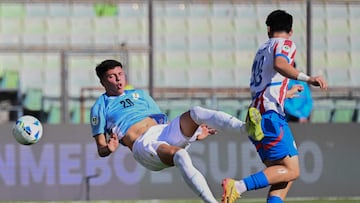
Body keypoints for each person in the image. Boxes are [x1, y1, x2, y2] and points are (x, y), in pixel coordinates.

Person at [90, 59, 262, 203]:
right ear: (102, 82)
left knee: (196, 112)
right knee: (180, 155)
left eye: (120, 74)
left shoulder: (139, 94)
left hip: (162, 131)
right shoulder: (100, 107)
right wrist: (109, 148)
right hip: (144, 144)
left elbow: (163, 121)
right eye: (111, 77)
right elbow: (101, 148)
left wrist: (193, 134)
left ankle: (246, 128)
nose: (118, 79)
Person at [222, 10, 328, 203]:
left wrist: (285, 94)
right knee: (292, 170)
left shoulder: (262, 49)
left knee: (284, 175)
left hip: (258, 114)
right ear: (291, 31)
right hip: (270, 115)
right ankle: (237, 186)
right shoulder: (285, 44)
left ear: (268, 29)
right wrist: (308, 78)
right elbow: (280, 64)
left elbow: (264, 85)